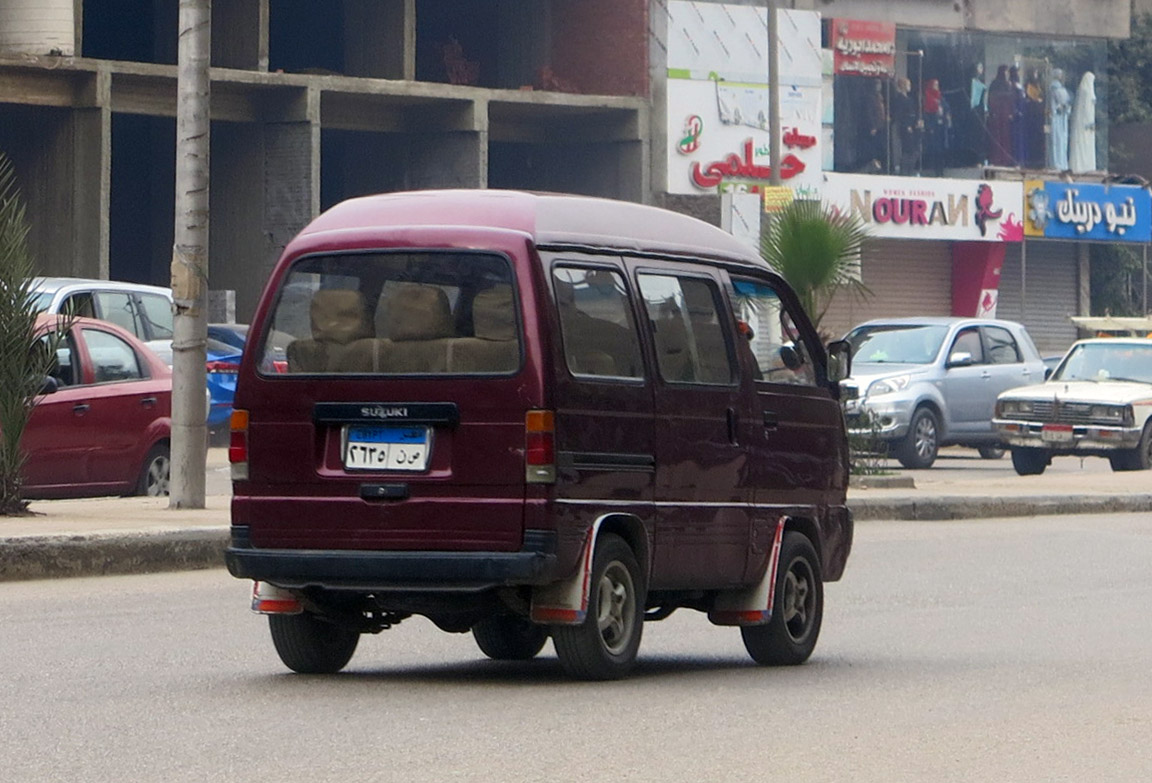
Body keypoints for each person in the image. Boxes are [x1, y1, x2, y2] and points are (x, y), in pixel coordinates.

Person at [889, 77, 921, 174]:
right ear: (903, 86)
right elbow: (900, 114)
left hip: (913, 126)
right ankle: (905, 171)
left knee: (914, 150)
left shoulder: (909, 99)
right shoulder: (899, 99)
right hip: (906, 128)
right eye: (908, 84)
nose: (909, 87)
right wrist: (906, 125)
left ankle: (909, 170)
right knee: (908, 150)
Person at [986, 65, 1015, 166]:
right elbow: (991, 99)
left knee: (1006, 137)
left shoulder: (1008, 84)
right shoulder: (995, 84)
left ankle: (1005, 160)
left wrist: (1011, 112)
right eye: (1005, 72)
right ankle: (996, 159)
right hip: (997, 114)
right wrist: (992, 111)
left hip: (1006, 115)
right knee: (997, 137)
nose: (1006, 74)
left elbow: (1011, 100)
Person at [1069, 71, 1097, 173]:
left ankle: (1087, 165)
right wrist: (1089, 122)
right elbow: (1085, 109)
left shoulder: (1086, 90)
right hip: (1085, 124)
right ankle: (1081, 166)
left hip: (1088, 124)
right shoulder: (1085, 91)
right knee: (1082, 144)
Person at [1047, 68, 1072, 170]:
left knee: (1061, 140)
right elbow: (1063, 101)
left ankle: (1061, 162)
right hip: (1057, 118)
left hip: (1061, 118)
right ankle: (1057, 163)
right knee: (1057, 140)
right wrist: (1066, 106)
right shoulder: (1055, 87)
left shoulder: (1058, 87)